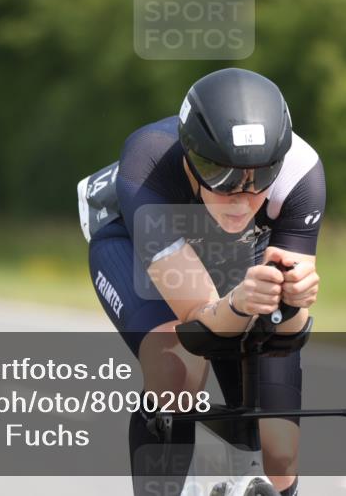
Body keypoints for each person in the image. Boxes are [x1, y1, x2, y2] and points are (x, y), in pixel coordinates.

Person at [78, 68, 325, 496]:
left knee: (280, 451)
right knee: (176, 368)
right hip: (134, 241)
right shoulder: (150, 159)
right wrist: (242, 304)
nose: (241, 198)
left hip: (237, 253)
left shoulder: (303, 175)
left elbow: (286, 332)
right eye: (221, 176)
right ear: (191, 158)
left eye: (260, 177)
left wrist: (296, 303)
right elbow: (198, 320)